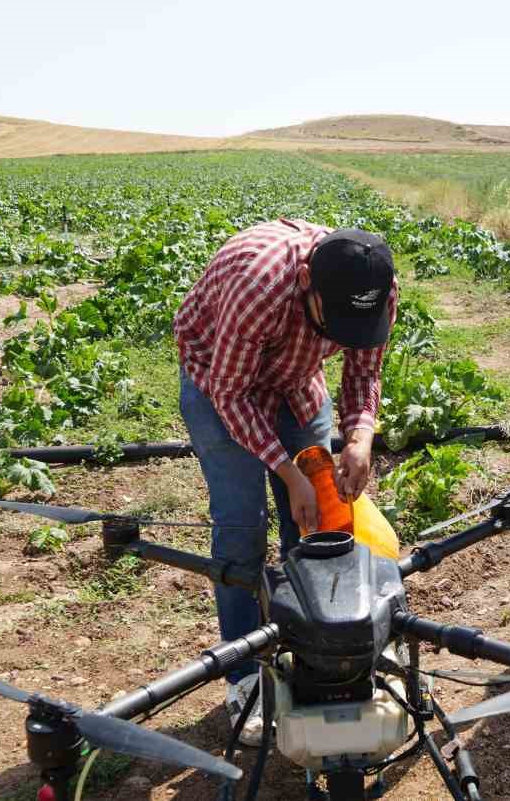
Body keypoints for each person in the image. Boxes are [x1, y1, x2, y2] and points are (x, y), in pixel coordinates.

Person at [173, 219, 397, 745]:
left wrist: (361, 436)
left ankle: (320, 646)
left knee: (323, 518)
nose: (346, 334)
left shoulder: (373, 287)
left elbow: (363, 374)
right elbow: (232, 395)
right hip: (218, 382)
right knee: (241, 528)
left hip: (296, 381)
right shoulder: (258, 286)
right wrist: (286, 470)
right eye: (334, 321)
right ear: (304, 281)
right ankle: (244, 677)